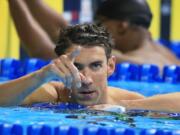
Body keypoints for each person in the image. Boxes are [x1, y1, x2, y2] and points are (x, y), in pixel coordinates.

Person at [0, 23, 180, 113]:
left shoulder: (129, 101)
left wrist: (118, 106)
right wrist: (41, 76)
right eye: (76, 67)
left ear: (110, 66)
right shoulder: (52, 96)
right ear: (62, 66)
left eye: (95, 65)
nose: (86, 79)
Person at [8, 0, 180, 69]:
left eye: (100, 24)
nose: (96, 30)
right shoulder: (165, 54)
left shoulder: (130, 61)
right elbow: (67, 30)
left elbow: (42, 51)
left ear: (122, 26)